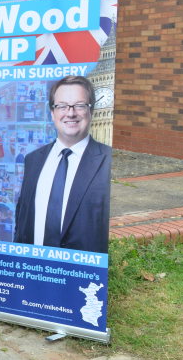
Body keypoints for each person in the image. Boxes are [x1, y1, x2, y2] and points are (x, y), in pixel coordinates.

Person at [14, 76, 111, 253]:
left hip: (81, 274)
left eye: (80, 105)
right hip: (33, 270)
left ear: (92, 110)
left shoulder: (106, 159)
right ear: (52, 112)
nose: (71, 113)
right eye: (62, 106)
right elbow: (22, 218)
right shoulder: (33, 160)